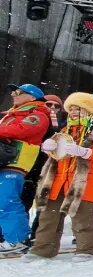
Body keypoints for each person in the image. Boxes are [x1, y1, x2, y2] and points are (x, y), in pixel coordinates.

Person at [25, 92, 93, 262]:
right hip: (57, 181)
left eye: (78, 109)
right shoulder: (64, 131)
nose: (73, 112)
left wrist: (85, 152)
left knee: (82, 217)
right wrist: (49, 147)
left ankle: (87, 250)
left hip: (83, 181)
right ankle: (43, 250)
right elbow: (57, 156)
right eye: (71, 109)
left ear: (90, 111)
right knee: (48, 217)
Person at [0, 84, 56, 253]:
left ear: (32, 97)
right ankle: (12, 237)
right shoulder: (13, 113)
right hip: (5, 161)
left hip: (15, 162)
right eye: (13, 91)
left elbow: (20, 130)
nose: (13, 95)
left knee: (7, 201)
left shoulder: (37, 114)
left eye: (18, 92)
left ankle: (17, 240)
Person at [20, 93, 61, 246]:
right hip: (29, 167)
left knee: (44, 204)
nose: (52, 108)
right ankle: (19, 235)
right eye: (49, 104)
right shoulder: (33, 119)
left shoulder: (61, 124)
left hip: (50, 169)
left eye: (56, 106)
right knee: (23, 201)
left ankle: (36, 234)